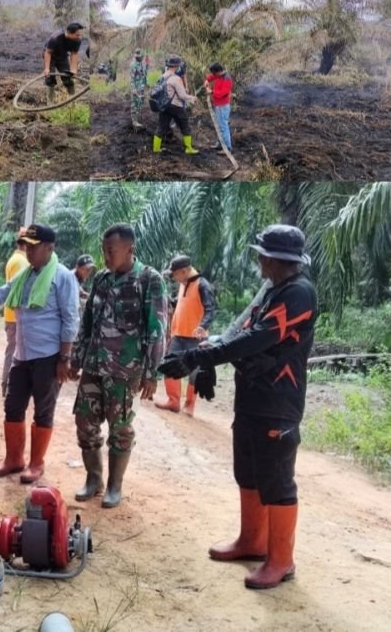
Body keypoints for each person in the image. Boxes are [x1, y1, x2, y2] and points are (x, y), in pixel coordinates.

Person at [159, 225, 317, 590]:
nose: (258, 258)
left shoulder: (299, 294)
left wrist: (200, 356)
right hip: (252, 397)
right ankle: (252, 541)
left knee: (276, 481)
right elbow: (237, 327)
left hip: (278, 402)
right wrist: (205, 357)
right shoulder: (271, 288)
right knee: (247, 471)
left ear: (277, 259)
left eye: (262, 253)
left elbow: (257, 338)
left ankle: (281, 560)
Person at [0, 224, 79, 484]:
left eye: (34, 246)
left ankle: (36, 463)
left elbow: (70, 320)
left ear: (49, 248)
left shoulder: (63, 277)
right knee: (13, 407)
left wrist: (64, 359)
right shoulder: (23, 277)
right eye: (27, 246)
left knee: (43, 411)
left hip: (48, 357)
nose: (28, 251)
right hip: (22, 356)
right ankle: (14, 459)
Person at [69, 224, 167, 508]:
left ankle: (114, 486)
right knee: (84, 422)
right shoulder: (101, 278)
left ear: (129, 249)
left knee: (120, 428)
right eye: (104, 250)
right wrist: (77, 358)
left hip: (125, 370)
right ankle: (94, 479)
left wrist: (151, 373)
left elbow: (157, 328)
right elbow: (87, 322)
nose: (106, 256)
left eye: (110, 250)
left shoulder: (149, 280)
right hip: (93, 365)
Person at [154, 254, 216, 417]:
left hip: (196, 338)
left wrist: (203, 326)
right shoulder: (184, 283)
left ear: (184, 271)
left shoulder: (203, 285)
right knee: (170, 365)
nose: (173, 277)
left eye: (174, 274)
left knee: (194, 372)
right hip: (178, 334)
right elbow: (179, 303)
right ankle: (173, 401)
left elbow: (210, 310)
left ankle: (190, 404)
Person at [1, 228, 30, 398]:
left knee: (13, 350)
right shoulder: (22, 263)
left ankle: (9, 385)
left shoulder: (14, 260)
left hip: (11, 314)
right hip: (16, 316)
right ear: (26, 244)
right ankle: (9, 386)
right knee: (14, 352)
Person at [153, 56, 199, 155]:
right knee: (185, 126)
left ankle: (156, 148)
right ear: (177, 66)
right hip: (175, 106)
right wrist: (192, 98)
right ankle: (188, 148)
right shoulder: (176, 78)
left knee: (161, 126)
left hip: (165, 106)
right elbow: (182, 96)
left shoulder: (163, 76)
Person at [43, 22, 84, 105]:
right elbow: (48, 53)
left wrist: (73, 70)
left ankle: (72, 102)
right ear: (69, 33)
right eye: (77, 35)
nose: (79, 36)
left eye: (79, 34)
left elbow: (74, 54)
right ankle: (50, 104)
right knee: (50, 78)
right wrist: (47, 68)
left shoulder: (77, 40)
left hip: (63, 57)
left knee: (68, 78)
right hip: (51, 56)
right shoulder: (55, 38)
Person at [205, 62, 234, 153]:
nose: (213, 75)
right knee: (219, 125)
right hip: (218, 105)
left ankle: (227, 147)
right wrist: (207, 80)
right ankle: (220, 144)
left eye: (214, 73)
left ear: (218, 72)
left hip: (223, 106)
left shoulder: (227, 79)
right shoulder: (220, 75)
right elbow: (211, 77)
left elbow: (222, 93)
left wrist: (211, 92)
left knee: (223, 126)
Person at [129, 48, 148, 128]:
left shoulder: (142, 64)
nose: (139, 57)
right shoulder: (133, 65)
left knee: (140, 102)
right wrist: (133, 88)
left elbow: (144, 75)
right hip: (136, 87)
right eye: (137, 56)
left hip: (141, 87)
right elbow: (131, 78)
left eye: (140, 56)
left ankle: (138, 118)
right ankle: (134, 121)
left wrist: (146, 84)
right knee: (135, 103)